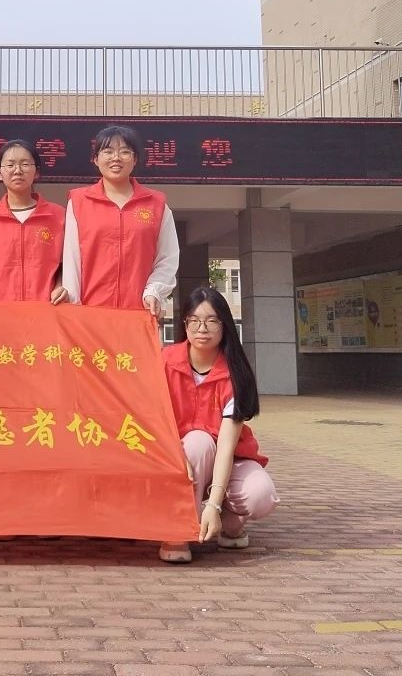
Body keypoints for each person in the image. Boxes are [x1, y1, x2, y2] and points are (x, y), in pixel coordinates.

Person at [158, 287, 279, 563]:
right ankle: (178, 530)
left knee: (261, 494)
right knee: (197, 442)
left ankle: (230, 521)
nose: (202, 328)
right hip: (180, 458)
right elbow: (151, 417)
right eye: (194, 320)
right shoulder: (164, 362)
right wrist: (174, 452)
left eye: (212, 320)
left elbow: (225, 445)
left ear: (224, 325)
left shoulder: (234, 372)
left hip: (230, 459)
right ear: (184, 324)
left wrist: (213, 505)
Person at [62, 124, 178, 315]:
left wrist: (154, 292)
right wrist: (74, 308)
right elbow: (71, 259)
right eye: (108, 151)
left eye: (124, 151)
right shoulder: (78, 202)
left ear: (135, 159)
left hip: (140, 312)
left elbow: (168, 258)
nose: (116, 157)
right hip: (91, 313)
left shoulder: (156, 204)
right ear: (96, 159)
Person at [0, 140, 67, 304]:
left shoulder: (58, 216)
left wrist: (60, 286)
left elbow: (65, 266)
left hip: (45, 309)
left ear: (36, 172)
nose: (18, 170)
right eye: (10, 165)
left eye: (25, 164)